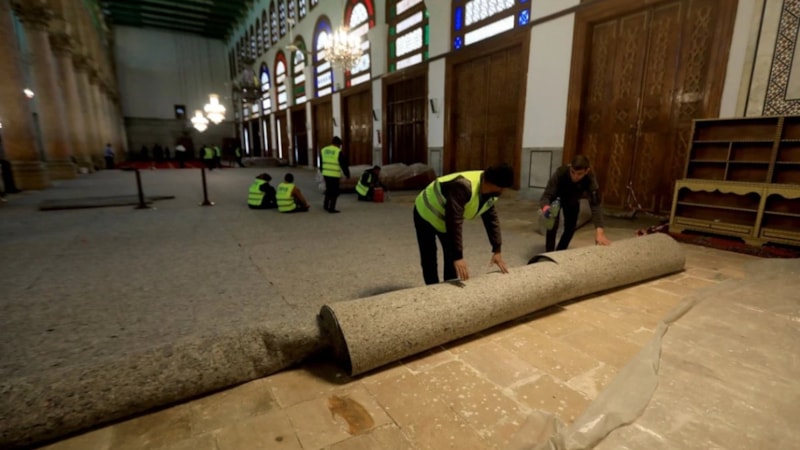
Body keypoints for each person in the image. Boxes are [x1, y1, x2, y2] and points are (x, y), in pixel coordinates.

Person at [413, 163, 514, 285]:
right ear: (495, 184)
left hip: (445, 219)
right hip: (425, 212)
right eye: (503, 188)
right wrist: (458, 257)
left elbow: (491, 219)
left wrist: (497, 249)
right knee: (429, 255)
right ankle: (432, 288)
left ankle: (449, 287)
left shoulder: (491, 193)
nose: (503, 191)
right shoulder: (463, 186)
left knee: (451, 255)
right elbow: (454, 221)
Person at [539, 155, 611, 253]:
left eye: (579, 174)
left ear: (586, 171)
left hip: (572, 200)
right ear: (570, 167)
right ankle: (549, 253)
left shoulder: (590, 179)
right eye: (572, 172)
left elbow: (595, 204)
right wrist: (546, 208)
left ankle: (560, 252)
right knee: (552, 225)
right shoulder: (560, 172)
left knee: (570, 228)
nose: (575, 176)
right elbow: (546, 195)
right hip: (556, 198)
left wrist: (600, 231)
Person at [320, 136, 350, 213]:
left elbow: (321, 163)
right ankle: (331, 208)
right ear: (338, 144)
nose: (340, 147)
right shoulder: (338, 151)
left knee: (328, 189)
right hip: (334, 174)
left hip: (325, 174)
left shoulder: (324, 150)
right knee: (334, 191)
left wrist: (322, 171)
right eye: (340, 145)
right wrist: (347, 174)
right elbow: (343, 164)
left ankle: (326, 205)